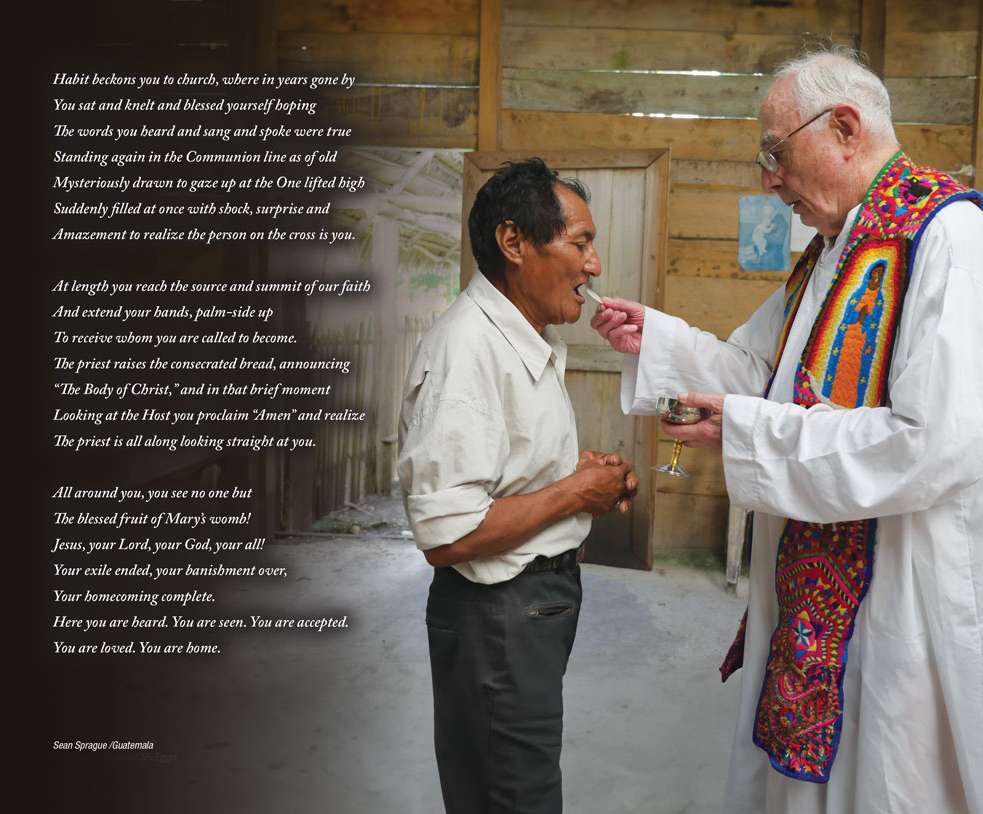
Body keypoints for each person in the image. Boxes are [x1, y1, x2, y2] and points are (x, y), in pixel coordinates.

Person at [592, 46, 983, 814]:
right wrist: (662, 344)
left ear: (844, 126)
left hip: (897, 590)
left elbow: (934, 443)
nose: (768, 179)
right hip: (811, 583)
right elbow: (762, 377)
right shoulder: (828, 252)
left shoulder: (947, 238)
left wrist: (750, 433)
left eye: (776, 153)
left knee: (886, 778)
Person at [397, 157, 638, 814]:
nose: (593, 265)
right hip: (498, 618)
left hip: (526, 609)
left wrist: (589, 481)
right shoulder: (466, 350)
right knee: (515, 795)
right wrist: (575, 494)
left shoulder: (521, 339)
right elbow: (448, 535)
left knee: (502, 787)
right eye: (580, 243)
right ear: (514, 243)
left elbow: (511, 472)